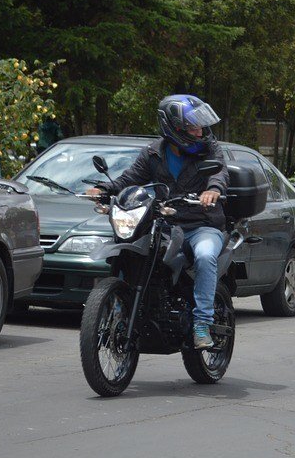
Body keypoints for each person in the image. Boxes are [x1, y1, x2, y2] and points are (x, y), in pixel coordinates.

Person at [86, 95, 229, 349]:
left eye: (200, 126)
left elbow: (219, 172)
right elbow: (129, 179)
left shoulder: (210, 149)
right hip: (166, 226)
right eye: (193, 126)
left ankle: (201, 324)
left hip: (202, 225)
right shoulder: (153, 153)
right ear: (173, 128)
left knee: (206, 256)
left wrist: (213, 190)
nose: (200, 131)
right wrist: (103, 189)